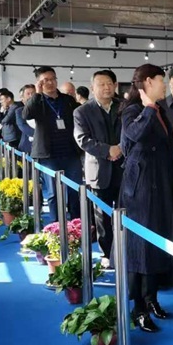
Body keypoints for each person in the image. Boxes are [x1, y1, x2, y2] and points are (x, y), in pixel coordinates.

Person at [118, 64, 173, 332]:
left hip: (161, 185)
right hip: (141, 190)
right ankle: (138, 308)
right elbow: (134, 135)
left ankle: (151, 299)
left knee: (156, 245)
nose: (166, 86)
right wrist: (148, 108)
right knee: (140, 250)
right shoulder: (133, 109)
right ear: (148, 82)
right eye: (162, 80)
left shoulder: (158, 109)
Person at [73, 70, 123, 267]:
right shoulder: (82, 111)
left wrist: (121, 148)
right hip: (99, 170)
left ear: (115, 85)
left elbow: (131, 132)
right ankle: (107, 253)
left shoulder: (124, 107)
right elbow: (82, 139)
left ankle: (126, 250)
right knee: (102, 215)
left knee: (126, 212)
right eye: (101, 84)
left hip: (124, 167)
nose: (106, 87)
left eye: (109, 83)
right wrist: (108, 150)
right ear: (92, 88)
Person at [22, 67, 83, 221]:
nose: (50, 83)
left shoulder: (67, 100)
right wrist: (36, 94)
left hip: (70, 153)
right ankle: (56, 226)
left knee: (75, 191)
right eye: (45, 80)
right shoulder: (38, 101)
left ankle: (76, 225)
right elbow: (26, 114)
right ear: (39, 83)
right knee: (54, 193)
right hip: (48, 154)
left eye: (52, 79)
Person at [15, 85, 36, 153]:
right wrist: (41, 135)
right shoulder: (19, 111)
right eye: (28, 94)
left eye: (33, 93)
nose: (31, 96)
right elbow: (23, 126)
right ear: (23, 97)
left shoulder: (44, 109)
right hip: (27, 146)